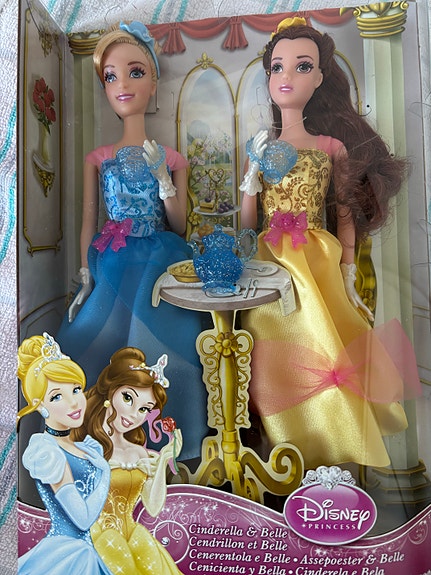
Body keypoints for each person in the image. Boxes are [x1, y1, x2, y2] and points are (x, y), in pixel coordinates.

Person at [240, 17, 420, 470]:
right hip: (269, 261)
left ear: (320, 78)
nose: (287, 76)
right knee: (271, 352)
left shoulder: (330, 146)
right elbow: (247, 221)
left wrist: (348, 273)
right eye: (277, 67)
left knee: (324, 343)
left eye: (302, 66)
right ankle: (284, 451)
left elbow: (344, 213)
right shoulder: (260, 146)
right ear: (268, 77)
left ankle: (334, 448)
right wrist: (250, 176)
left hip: (318, 257)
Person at [56, 21, 208, 460]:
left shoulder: (173, 157)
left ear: (154, 82)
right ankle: (103, 441)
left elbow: (179, 224)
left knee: (168, 349)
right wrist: (84, 275)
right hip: (113, 260)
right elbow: (90, 218)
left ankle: (164, 443)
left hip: (160, 259)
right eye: (110, 76)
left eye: (135, 72)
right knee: (96, 343)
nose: (122, 84)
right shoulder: (98, 158)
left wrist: (163, 178)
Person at [72, 347, 184, 575]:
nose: (134, 415)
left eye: (144, 409)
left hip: (133, 537)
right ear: (110, 392)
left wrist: (163, 460)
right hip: (96, 538)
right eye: (127, 398)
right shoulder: (84, 447)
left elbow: (153, 508)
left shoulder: (140, 453)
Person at [17, 333, 112, 575]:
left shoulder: (82, 448)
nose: (74, 402)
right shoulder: (48, 452)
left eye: (76, 389)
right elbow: (82, 520)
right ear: (40, 405)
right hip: (70, 555)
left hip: (86, 550)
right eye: (57, 396)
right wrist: (105, 475)